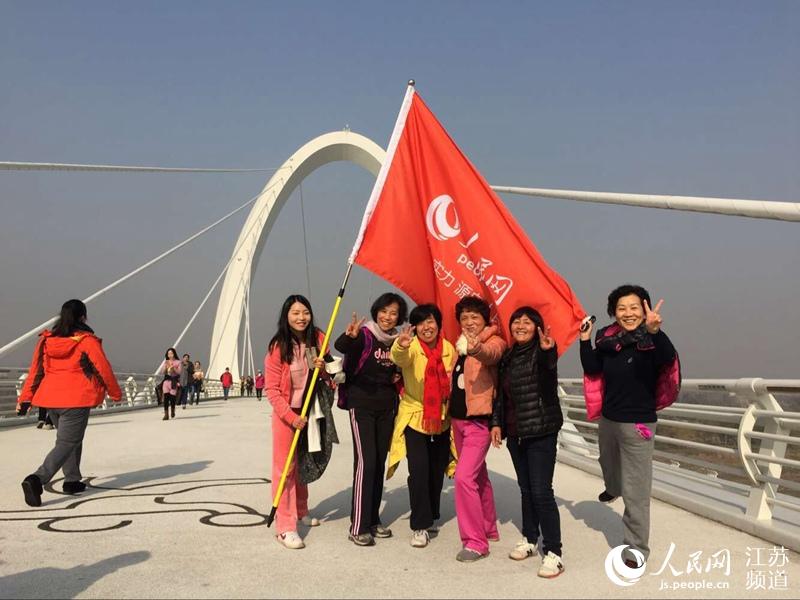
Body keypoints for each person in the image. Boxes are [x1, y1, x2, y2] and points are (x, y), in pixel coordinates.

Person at [580, 284, 679, 567]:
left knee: (636, 492)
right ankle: (613, 486)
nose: (628, 313)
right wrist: (585, 340)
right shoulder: (609, 340)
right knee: (607, 463)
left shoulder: (652, 341)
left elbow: (667, 357)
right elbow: (592, 367)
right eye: (621, 308)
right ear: (614, 312)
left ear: (645, 308)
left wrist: (655, 331)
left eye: (634, 307)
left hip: (638, 424)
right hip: (609, 418)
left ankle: (635, 549)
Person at [16, 299, 122, 507]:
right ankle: (36, 479)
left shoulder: (47, 340)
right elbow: (103, 368)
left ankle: (72, 481)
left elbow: (36, 371)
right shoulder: (86, 341)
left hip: (50, 399)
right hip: (76, 399)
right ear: (83, 317)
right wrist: (116, 393)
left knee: (70, 440)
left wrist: (25, 399)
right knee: (67, 442)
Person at [491, 306, 565, 578]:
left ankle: (554, 552)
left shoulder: (542, 351)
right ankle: (531, 539)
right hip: (516, 432)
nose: (520, 326)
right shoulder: (508, 357)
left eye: (527, 322)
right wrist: (496, 423)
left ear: (537, 327)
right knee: (525, 490)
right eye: (516, 322)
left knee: (541, 491)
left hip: (541, 430)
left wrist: (548, 352)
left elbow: (548, 379)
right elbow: (501, 396)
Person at [334, 292, 407, 547]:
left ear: (400, 317)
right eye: (384, 311)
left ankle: (373, 519)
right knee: (366, 463)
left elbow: (402, 368)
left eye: (394, 313)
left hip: (387, 407)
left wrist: (399, 372)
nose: (388, 317)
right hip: (361, 405)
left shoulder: (398, 341)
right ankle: (358, 525)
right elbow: (341, 347)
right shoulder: (364, 334)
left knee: (378, 463)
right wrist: (349, 336)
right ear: (376, 311)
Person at [388, 303, 456, 549]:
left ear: (438, 325)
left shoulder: (449, 349)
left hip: (441, 418)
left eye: (431, 322)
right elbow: (400, 358)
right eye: (421, 323)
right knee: (419, 470)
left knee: (436, 471)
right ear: (414, 327)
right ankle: (419, 525)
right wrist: (400, 345)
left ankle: (431, 516)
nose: (427, 327)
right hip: (415, 415)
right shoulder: (412, 346)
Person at [265, 294, 326, 549]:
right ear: (286, 316)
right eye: (295, 313)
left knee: (303, 463)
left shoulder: (318, 339)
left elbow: (326, 376)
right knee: (285, 469)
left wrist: (323, 367)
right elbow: (271, 390)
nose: (301, 318)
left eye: (305, 312)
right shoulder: (279, 346)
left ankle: (301, 510)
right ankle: (285, 527)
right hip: (287, 415)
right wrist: (291, 417)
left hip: (310, 411)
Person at [449, 296, 506, 562]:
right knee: (478, 476)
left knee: (463, 478)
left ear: (485, 320)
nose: (469, 322)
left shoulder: (493, 341)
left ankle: (475, 542)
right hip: (458, 421)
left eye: (475, 317)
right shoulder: (458, 346)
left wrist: (476, 349)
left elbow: (491, 355)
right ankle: (489, 526)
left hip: (478, 423)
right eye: (464, 317)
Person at [160, 348, 181, 420]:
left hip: (174, 382)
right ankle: (166, 415)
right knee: (166, 398)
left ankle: (172, 410)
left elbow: (179, 372)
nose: (170, 355)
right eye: (168, 354)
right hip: (166, 381)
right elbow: (162, 372)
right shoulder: (166, 362)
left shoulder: (178, 362)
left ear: (174, 354)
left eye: (171, 353)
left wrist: (174, 368)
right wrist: (165, 367)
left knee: (172, 398)